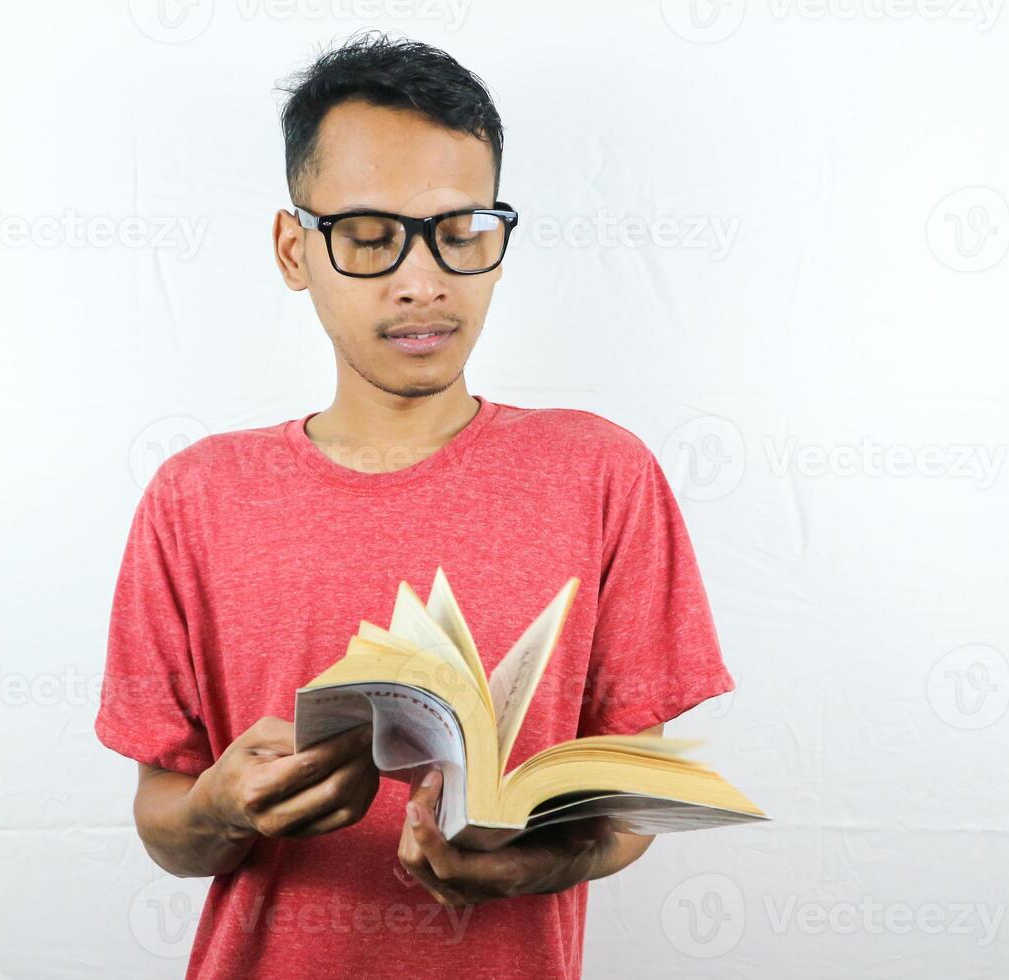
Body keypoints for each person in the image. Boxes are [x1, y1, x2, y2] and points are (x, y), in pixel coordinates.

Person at [95, 29, 734, 979]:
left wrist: (536, 862)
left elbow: (633, 805)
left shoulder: (602, 474)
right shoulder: (196, 496)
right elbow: (165, 829)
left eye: (460, 231)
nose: (421, 280)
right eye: (367, 237)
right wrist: (219, 808)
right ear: (293, 248)